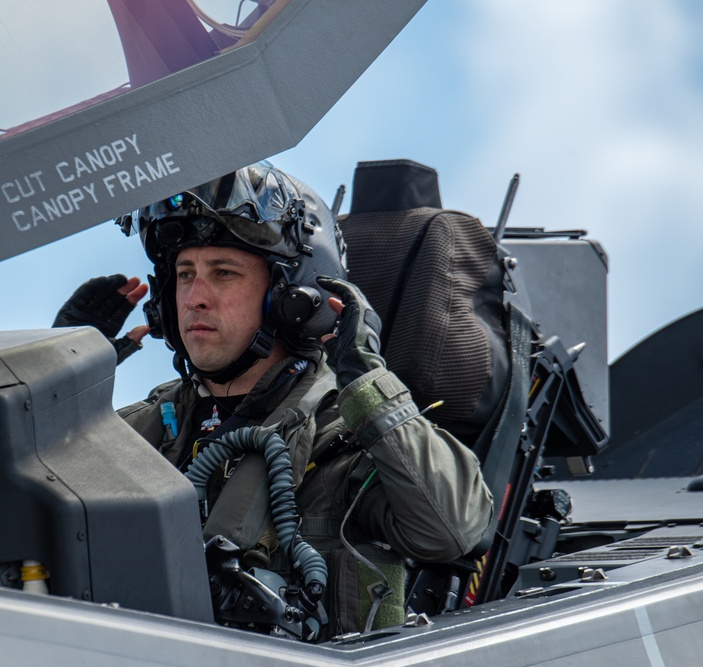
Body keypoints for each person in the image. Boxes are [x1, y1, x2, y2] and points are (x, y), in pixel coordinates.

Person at [53, 162, 492, 637]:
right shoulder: (140, 431)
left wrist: (368, 380)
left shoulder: (341, 439)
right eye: (184, 274)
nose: (195, 298)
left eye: (223, 273)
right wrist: (61, 379)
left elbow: (452, 528)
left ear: (293, 297)